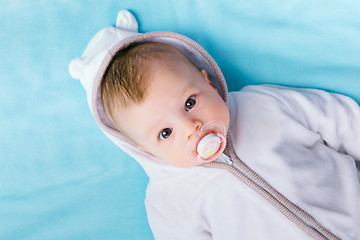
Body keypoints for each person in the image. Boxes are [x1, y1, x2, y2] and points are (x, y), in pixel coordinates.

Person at [69, 10, 360, 240]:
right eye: (165, 133)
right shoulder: (168, 203)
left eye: (189, 103)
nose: (191, 127)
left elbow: (338, 118)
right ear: (143, 148)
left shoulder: (264, 104)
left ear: (206, 80)